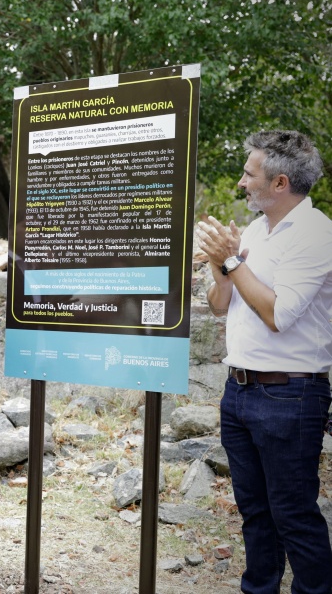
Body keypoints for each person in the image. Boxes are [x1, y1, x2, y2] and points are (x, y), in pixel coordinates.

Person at [197, 130, 332, 593]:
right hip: (239, 392)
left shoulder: (316, 234)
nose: (240, 183)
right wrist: (220, 267)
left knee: (293, 515)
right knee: (254, 513)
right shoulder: (254, 231)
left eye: (248, 174)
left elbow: (277, 314)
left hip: (290, 395)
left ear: (279, 183)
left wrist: (232, 262)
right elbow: (220, 304)